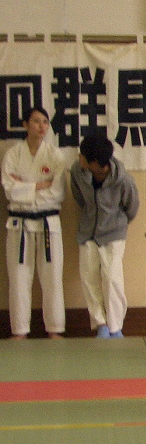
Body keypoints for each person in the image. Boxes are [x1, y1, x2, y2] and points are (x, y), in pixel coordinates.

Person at [1, 106, 67, 339]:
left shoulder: (55, 156)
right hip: (19, 224)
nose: (42, 126)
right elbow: (9, 191)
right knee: (18, 277)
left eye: (45, 122)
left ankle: (55, 329)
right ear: (25, 125)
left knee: (52, 277)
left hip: (49, 223)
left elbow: (57, 193)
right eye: (37, 121)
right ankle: (19, 330)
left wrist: (24, 186)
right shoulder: (12, 154)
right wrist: (38, 185)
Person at [70, 134, 139, 338]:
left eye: (83, 156)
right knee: (89, 278)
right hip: (87, 231)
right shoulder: (77, 171)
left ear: (95, 163)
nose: (78, 157)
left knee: (111, 278)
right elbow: (79, 198)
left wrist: (116, 223)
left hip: (114, 233)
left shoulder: (122, 179)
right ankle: (101, 324)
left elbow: (131, 206)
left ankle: (115, 326)